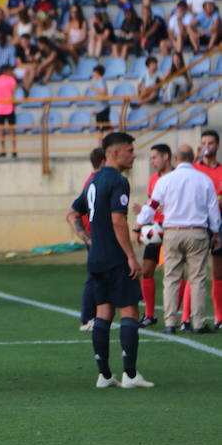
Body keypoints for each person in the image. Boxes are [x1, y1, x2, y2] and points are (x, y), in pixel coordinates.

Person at [67, 132, 153, 389]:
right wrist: (130, 256)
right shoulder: (118, 181)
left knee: (103, 311)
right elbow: (118, 220)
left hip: (96, 258)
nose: (133, 154)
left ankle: (104, 375)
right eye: (129, 150)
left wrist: (87, 238)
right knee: (129, 310)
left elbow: (72, 213)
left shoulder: (93, 181)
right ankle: (130, 374)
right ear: (114, 153)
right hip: (115, 257)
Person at [137, 145, 221, 334]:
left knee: (171, 278)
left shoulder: (165, 180)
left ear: (175, 158)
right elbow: (213, 209)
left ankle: (170, 322)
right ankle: (198, 322)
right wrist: (215, 233)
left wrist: (139, 224)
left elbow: (152, 205)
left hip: (172, 231)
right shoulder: (204, 179)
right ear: (192, 158)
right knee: (197, 278)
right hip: (197, 232)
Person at [134, 144, 173, 328]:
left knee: (173, 273)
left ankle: (175, 315)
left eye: (154, 157)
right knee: (147, 270)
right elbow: (152, 205)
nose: (152, 161)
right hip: (155, 231)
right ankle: (149, 314)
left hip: (174, 229)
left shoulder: (177, 178)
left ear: (166, 157)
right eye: (150, 158)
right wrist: (141, 225)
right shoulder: (153, 180)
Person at [193, 129, 222, 330]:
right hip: (199, 223)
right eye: (204, 143)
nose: (207, 146)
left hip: (219, 223)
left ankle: (219, 317)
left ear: (217, 146)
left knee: (218, 272)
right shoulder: (194, 170)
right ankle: (187, 318)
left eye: (211, 143)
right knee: (195, 272)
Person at [77, 147, 106, 332]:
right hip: (95, 236)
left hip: (93, 235)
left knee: (99, 276)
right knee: (94, 276)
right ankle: (88, 317)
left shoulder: (92, 181)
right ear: (104, 161)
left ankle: (96, 316)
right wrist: (89, 236)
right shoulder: (95, 182)